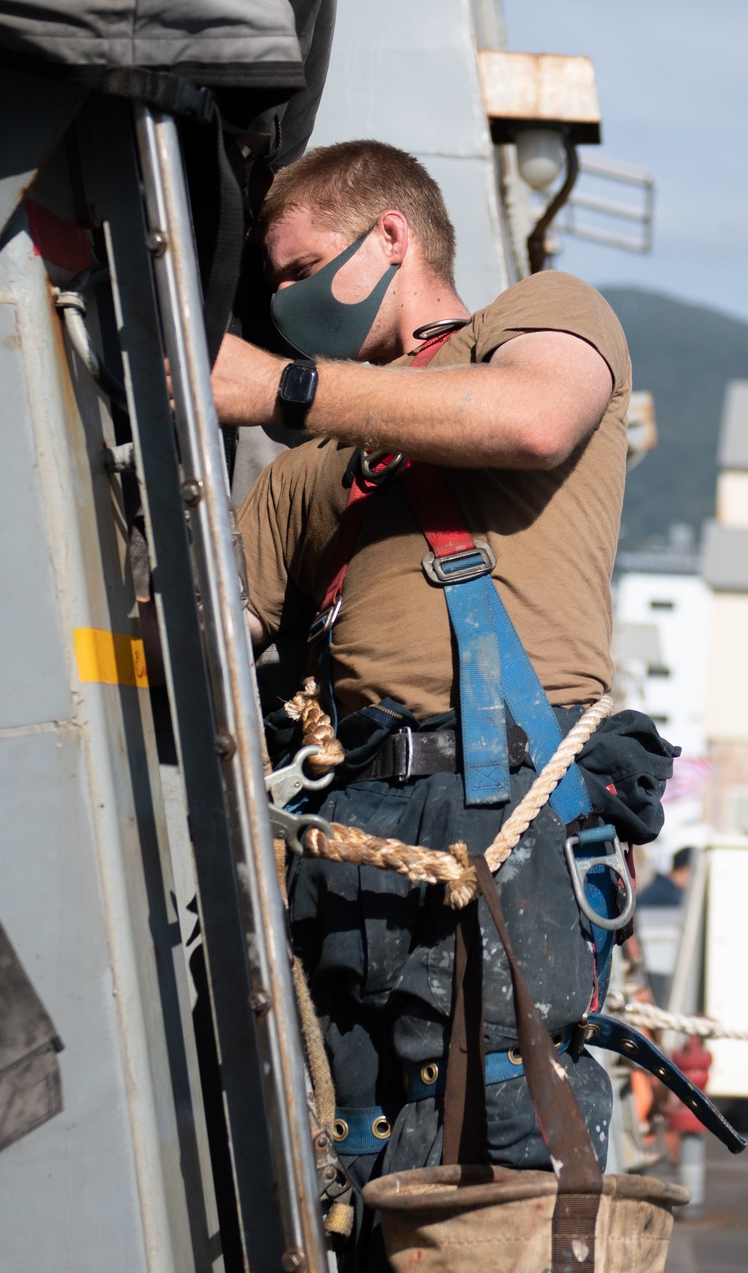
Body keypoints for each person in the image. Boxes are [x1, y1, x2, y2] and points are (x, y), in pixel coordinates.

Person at [211, 140, 676, 1269]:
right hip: (351, 829)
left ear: (390, 240)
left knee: (500, 1169)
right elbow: (207, 636)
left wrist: (278, 387)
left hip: (502, 806)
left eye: (301, 267)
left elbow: (531, 420)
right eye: (270, 285)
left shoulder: (538, 317)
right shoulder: (297, 481)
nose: (284, 301)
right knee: (351, 1159)